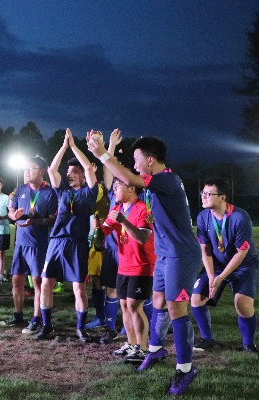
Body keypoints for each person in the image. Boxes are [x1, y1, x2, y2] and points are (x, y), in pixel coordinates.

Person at [88, 133, 202, 396]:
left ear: (150, 160)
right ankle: (155, 350)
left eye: (137, 160)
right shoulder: (157, 186)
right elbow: (123, 182)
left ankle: (185, 369)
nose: (135, 165)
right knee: (159, 302)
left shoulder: (166, 179)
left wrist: (103, 153)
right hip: (164, 254)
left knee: (176, 308)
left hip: (181, 254)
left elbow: (129, 179)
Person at [36, 129, 99, 343]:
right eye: (69, 171)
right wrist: (64, 146)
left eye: (74, 171)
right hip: (56, 242)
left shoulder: (89, 192)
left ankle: (81, 328)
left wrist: (74, 146)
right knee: (46, 283)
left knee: (79, 288)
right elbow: (52, 169)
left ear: (82, 175)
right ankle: (47, 326)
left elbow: (89, 168)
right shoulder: (62, 191)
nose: (70, 174)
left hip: (77, 243)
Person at [191, 178, 258, 352]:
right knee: (196, 299)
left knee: (242, 304)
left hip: (243, 265)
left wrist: (221, 278)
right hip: (217, 265)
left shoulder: (240, 217)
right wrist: (211, 276)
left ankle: (249, 344)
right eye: (203, 193)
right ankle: (207, 339)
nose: (203, 197)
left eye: (208, 194)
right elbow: (205, 250)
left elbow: (241, 253)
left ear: (223, 197)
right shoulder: (203, 217)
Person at [98, 178, 156, 362]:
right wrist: (97, 229)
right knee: (124, 306)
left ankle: (143, 348)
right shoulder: (117, 209)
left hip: (142, 265)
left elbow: (142, 237)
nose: (114, 190)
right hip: (123, 265)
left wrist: (123, 222)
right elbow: (102, 234)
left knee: (134, 306)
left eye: (118, 186)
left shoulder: (144, 209)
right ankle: (131, 344)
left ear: (131, 188)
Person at [0, 157, 57, 333]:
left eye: (31, 169)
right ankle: (18, 315)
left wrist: (35, 222)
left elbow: (53, 219)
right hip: (20, 243)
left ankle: (37, 318)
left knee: (38, 282)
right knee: (16, 280)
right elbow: (11, 211)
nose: (26, 172)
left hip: (39, 244)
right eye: (25, 169)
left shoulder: (50, 192)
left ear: (41, 172)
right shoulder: (20, 189)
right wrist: (14, 216)